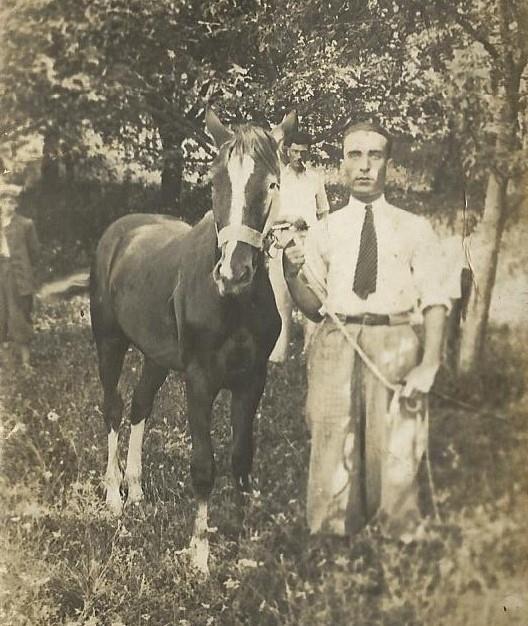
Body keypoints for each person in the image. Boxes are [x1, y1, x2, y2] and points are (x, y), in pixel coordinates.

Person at [282, 121, 450, 539]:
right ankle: (331, 532)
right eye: (354, 155)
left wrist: (429, 364)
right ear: (341, 163)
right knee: (330, 430)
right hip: (337, 343)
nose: (364, 165)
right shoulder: (325, 231)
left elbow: (435, 299)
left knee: (396, 440)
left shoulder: (414, 228)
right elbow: (314, 308)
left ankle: (396, 530)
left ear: (387, 164)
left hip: (395, 340)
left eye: (374, 156)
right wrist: (290, 272)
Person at [268, 131, 330, 363]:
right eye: (295, 152)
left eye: (304, 152)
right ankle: (279, 353)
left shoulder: (315, 178)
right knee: (281, 296)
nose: (299, 157)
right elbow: (269, 215)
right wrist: (291, 218)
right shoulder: (278, 178)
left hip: (311, 242)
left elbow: (324, 211)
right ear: (287, 151)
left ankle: (309, 351)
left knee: (314, 293)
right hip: (283, 239)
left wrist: (322, 234)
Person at [0, 183, 40, 368]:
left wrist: (23, 270)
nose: (7, 205)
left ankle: (26, 362)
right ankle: (5, 357)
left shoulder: (25, 224)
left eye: (11, 202)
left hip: (17, 275)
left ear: (16, 205)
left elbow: (34, 253)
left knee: (20, 314)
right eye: (4, 202)